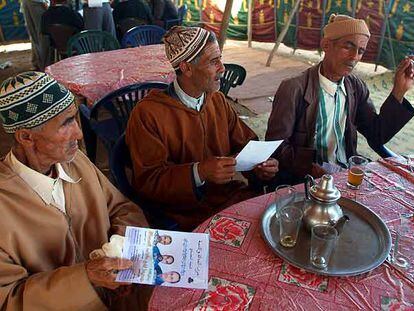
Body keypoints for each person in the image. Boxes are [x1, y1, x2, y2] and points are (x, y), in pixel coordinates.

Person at [0, 71, 150, 310]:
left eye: (75, 119)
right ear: (26, 137)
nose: (79, 134)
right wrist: (85, 278)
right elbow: (9, 299)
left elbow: (121, 207)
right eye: (66, 124)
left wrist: (121, 245)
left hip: (124, 297)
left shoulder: (75, 161)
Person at [126, 26, 278, 231]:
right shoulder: (148, 114)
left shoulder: (218, 101)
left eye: (220, 59)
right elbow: (148, 182)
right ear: (187, 68)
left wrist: (261, 165)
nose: (222, 68)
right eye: (213, 62)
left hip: (230, 198)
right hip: (185, 213)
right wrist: (199, 172)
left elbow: (245, 144)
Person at [266, 14, 414, 185]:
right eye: (348, 47)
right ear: (326, 45)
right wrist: (309, 168)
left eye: (360, 51)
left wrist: (398, 91)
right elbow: (276, 147)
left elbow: (376, 135)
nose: (354, 57)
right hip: (304, 180)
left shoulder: (355, 87)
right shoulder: (294, 88)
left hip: (345, 174)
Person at [21, 0, 50, 70]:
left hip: (28, 2)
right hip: (37, 3)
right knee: (42, 34)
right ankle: (44, 65)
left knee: (34, 35)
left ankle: (37, 62)